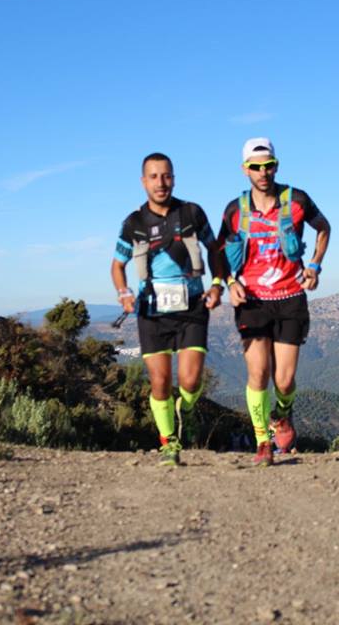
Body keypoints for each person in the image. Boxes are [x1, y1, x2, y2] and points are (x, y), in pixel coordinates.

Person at [218, 137, 331, 466]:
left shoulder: (296, 200)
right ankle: (262, 442)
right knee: (258, 373)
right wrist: (229, 283)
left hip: (290, 298)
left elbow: (323, 227)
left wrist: (314, 265)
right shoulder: (235, 210)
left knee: (283, 380)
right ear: (245, 170)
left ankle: (282, 413)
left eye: (268, 165)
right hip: (252, 302)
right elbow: (218, 251)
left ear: (276, 166)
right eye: (256, 167)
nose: (263, 172)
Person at [111, 152, 225, 465]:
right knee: (160, 382)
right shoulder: (133, 223)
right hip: (152, 311)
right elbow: (117, 265)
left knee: (190, 381)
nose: (161, 183)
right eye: (154, 176)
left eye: (166, 176)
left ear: (174, 178)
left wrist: (217, 284)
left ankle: (186, 410)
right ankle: (168, 443)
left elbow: (214, 248)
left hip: (192, 307)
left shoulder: (192, 213)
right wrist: (124, 293)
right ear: (143, 181)